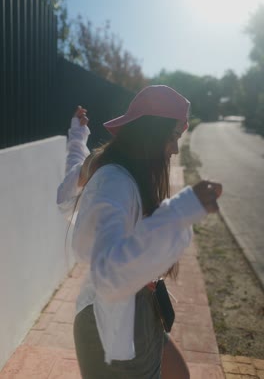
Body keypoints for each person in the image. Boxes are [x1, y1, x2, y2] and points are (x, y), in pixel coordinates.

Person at [57, 85, 222, 379]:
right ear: (151, 132)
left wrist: (77, 137)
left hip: (135, 310)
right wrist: (182, 210)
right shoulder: (114, 180)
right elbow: (107, 273)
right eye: (172, 137)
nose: (174, 149)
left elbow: (66, 194)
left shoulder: (112, 168)